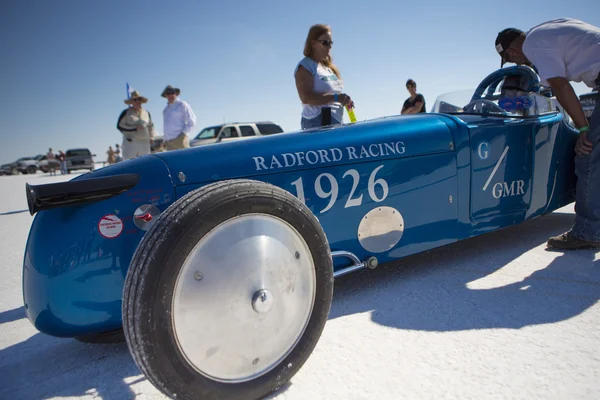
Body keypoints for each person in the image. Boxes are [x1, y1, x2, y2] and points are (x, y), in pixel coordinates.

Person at [495, 18, 600, 250]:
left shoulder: (534, 44)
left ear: (512, 51)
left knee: (589, 156)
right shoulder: (549, 29)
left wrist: (583, 129)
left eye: (511, 59)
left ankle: (588, 232)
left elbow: (561, 86)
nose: (516, 62)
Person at [294, 24, 354, 130]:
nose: (330, 46)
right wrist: (336, 97)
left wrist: (344, 100)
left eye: (331, 43)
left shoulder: (328, 68)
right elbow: (306, 98)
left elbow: (336, 95)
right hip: (317, 122)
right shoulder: (306, 66)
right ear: (313, 43)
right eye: (325, 43)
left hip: (336, 121)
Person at [117, 91, 156, 160]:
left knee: (145, 163)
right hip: (131, 142)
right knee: (129, 164)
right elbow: (119, 126)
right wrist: (134, 128)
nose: (137, 101)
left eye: (139, 99)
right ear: (131, 102)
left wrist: (152, 136)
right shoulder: (126, 112)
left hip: (144, 143)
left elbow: (151, 126)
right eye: (135, 100)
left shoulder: (146, 113)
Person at [161, 85, 196, 150]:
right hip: (168, 143)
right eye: (168, 93)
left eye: (172, 92)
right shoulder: (165, 110)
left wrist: (183, 135)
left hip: (180, 140)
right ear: (166, 95)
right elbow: (166, 126)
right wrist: (164, 140)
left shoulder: (182, 104)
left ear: (176, 94)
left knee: (185, 159)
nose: (170, 95)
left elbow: (191, 121)